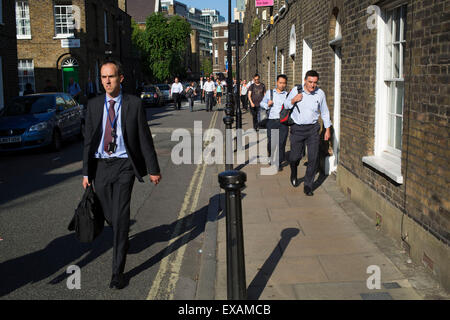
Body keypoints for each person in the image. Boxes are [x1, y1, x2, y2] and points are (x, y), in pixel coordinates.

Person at [82, 60, 161, 289]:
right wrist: (86, 172)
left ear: (121, 78)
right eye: (103, 77)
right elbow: (88, 141)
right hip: (102, 167)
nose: (107, 81)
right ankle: (121, 234)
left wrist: (153, 169)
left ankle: (117, 272)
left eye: (111, 76)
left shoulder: (134, 104)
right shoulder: (94, 105)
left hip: (125, 165)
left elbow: (144, 139)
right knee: (111, 215)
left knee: (121, 216)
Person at [284, 70, 331, 196]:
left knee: (313, 158)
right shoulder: (296, 90)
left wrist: (327, 129)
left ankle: (308, 186)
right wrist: (294, 100)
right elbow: (286, 104)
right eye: (310, 82)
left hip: (313, 130)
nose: (312, 85)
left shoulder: (320, 94)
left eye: (315, 82)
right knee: (294, 157)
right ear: (305, 80)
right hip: (297, 129)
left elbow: (325, 112)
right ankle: (294, 172)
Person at [260, 74, 290, 171]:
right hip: (272, 121)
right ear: (277, 82)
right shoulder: (270, 93)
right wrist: (267, 105)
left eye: (284, 83)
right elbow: (262, 103)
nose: (282, 85)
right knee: (272, 143)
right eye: (280, 83)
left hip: (283, 122)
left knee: (281, 143)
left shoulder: (287, 95)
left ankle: (279, 162)